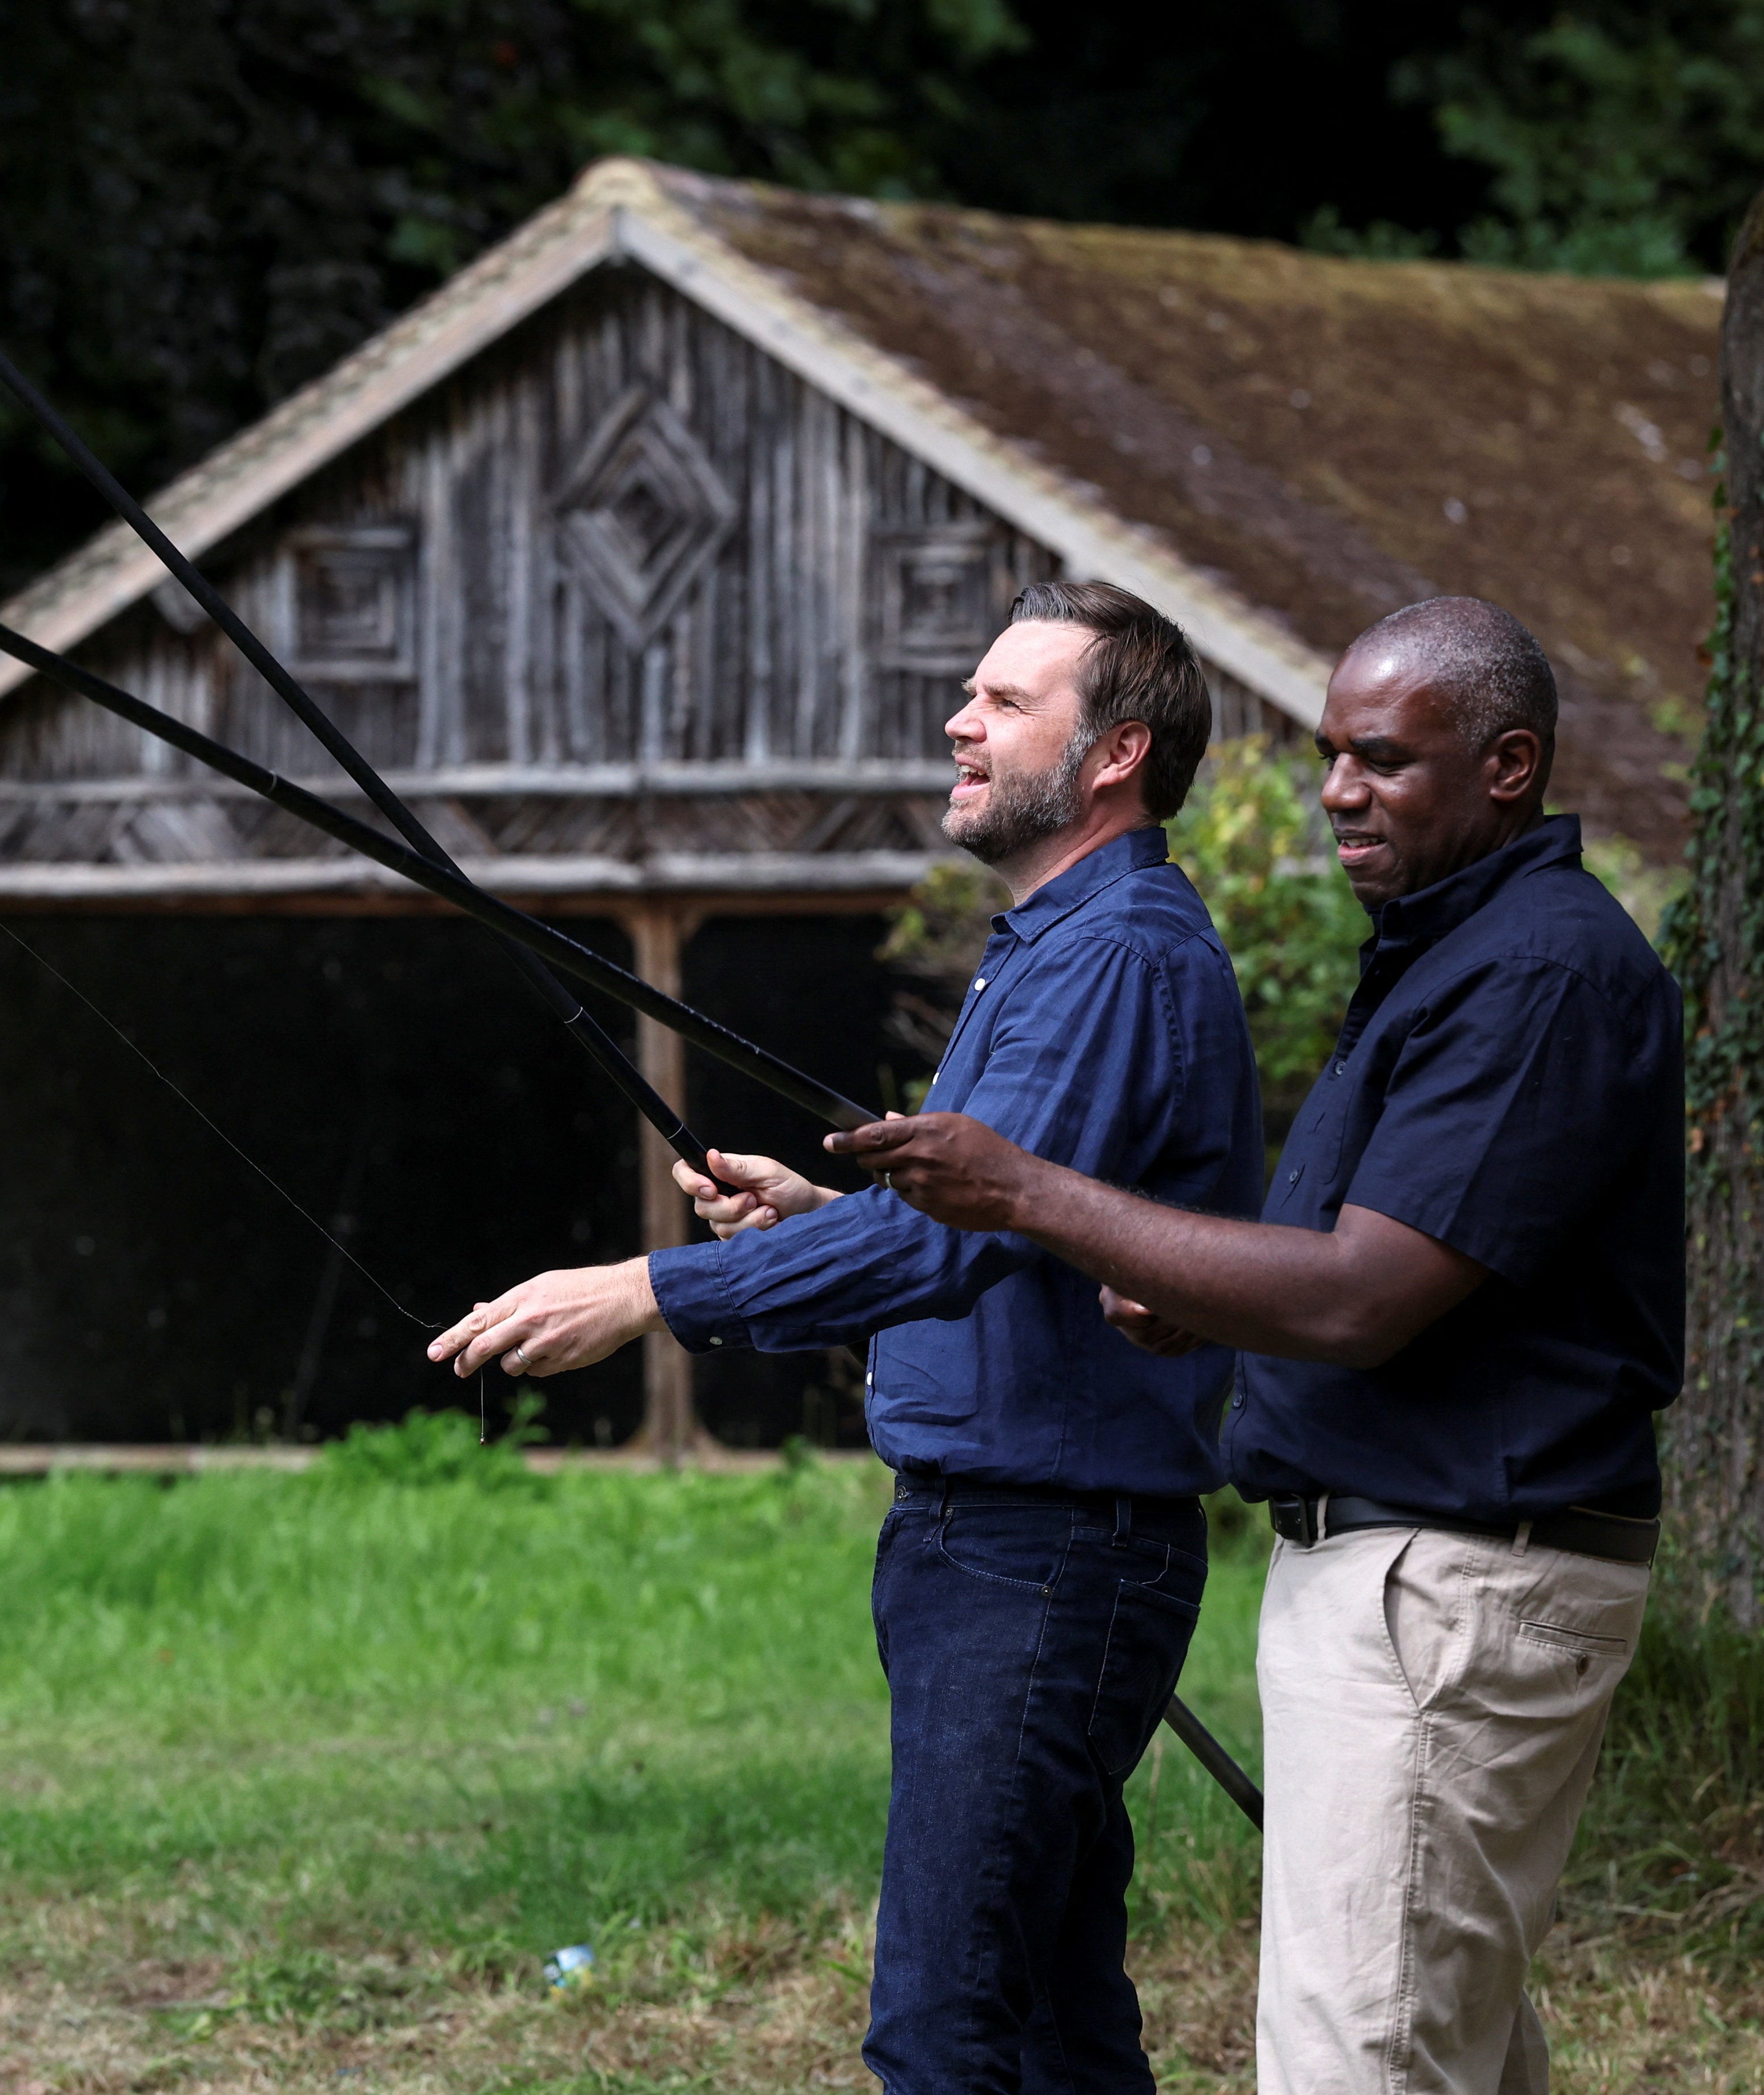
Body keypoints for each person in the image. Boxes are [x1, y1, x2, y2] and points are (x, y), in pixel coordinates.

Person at [828, 597, 1683, 2095]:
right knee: (1437, 2047)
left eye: (1384, 760)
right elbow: (1376, 1272)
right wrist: (1194, 1290)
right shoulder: (1450, 953)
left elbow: (1361, 1295)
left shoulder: (1537, 970)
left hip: (1448, 1584)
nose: (1338, 791)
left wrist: (1023, 1188)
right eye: (1328, 758)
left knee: (1361, 2061)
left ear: (1507, 766)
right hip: (1394, 1575)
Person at [426, 579, 1266, 2094]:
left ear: (1115, 755)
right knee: (1054, 2019)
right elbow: (1017, 1227)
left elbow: (953, 1236)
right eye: (971, 692)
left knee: (944, 2029)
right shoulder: (1053, 946)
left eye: (1006, 702)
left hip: (1045, 1552)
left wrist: (645, 1291)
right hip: (996, 1544)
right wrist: (818, 1207)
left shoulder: (1120, 955)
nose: (959, 717)